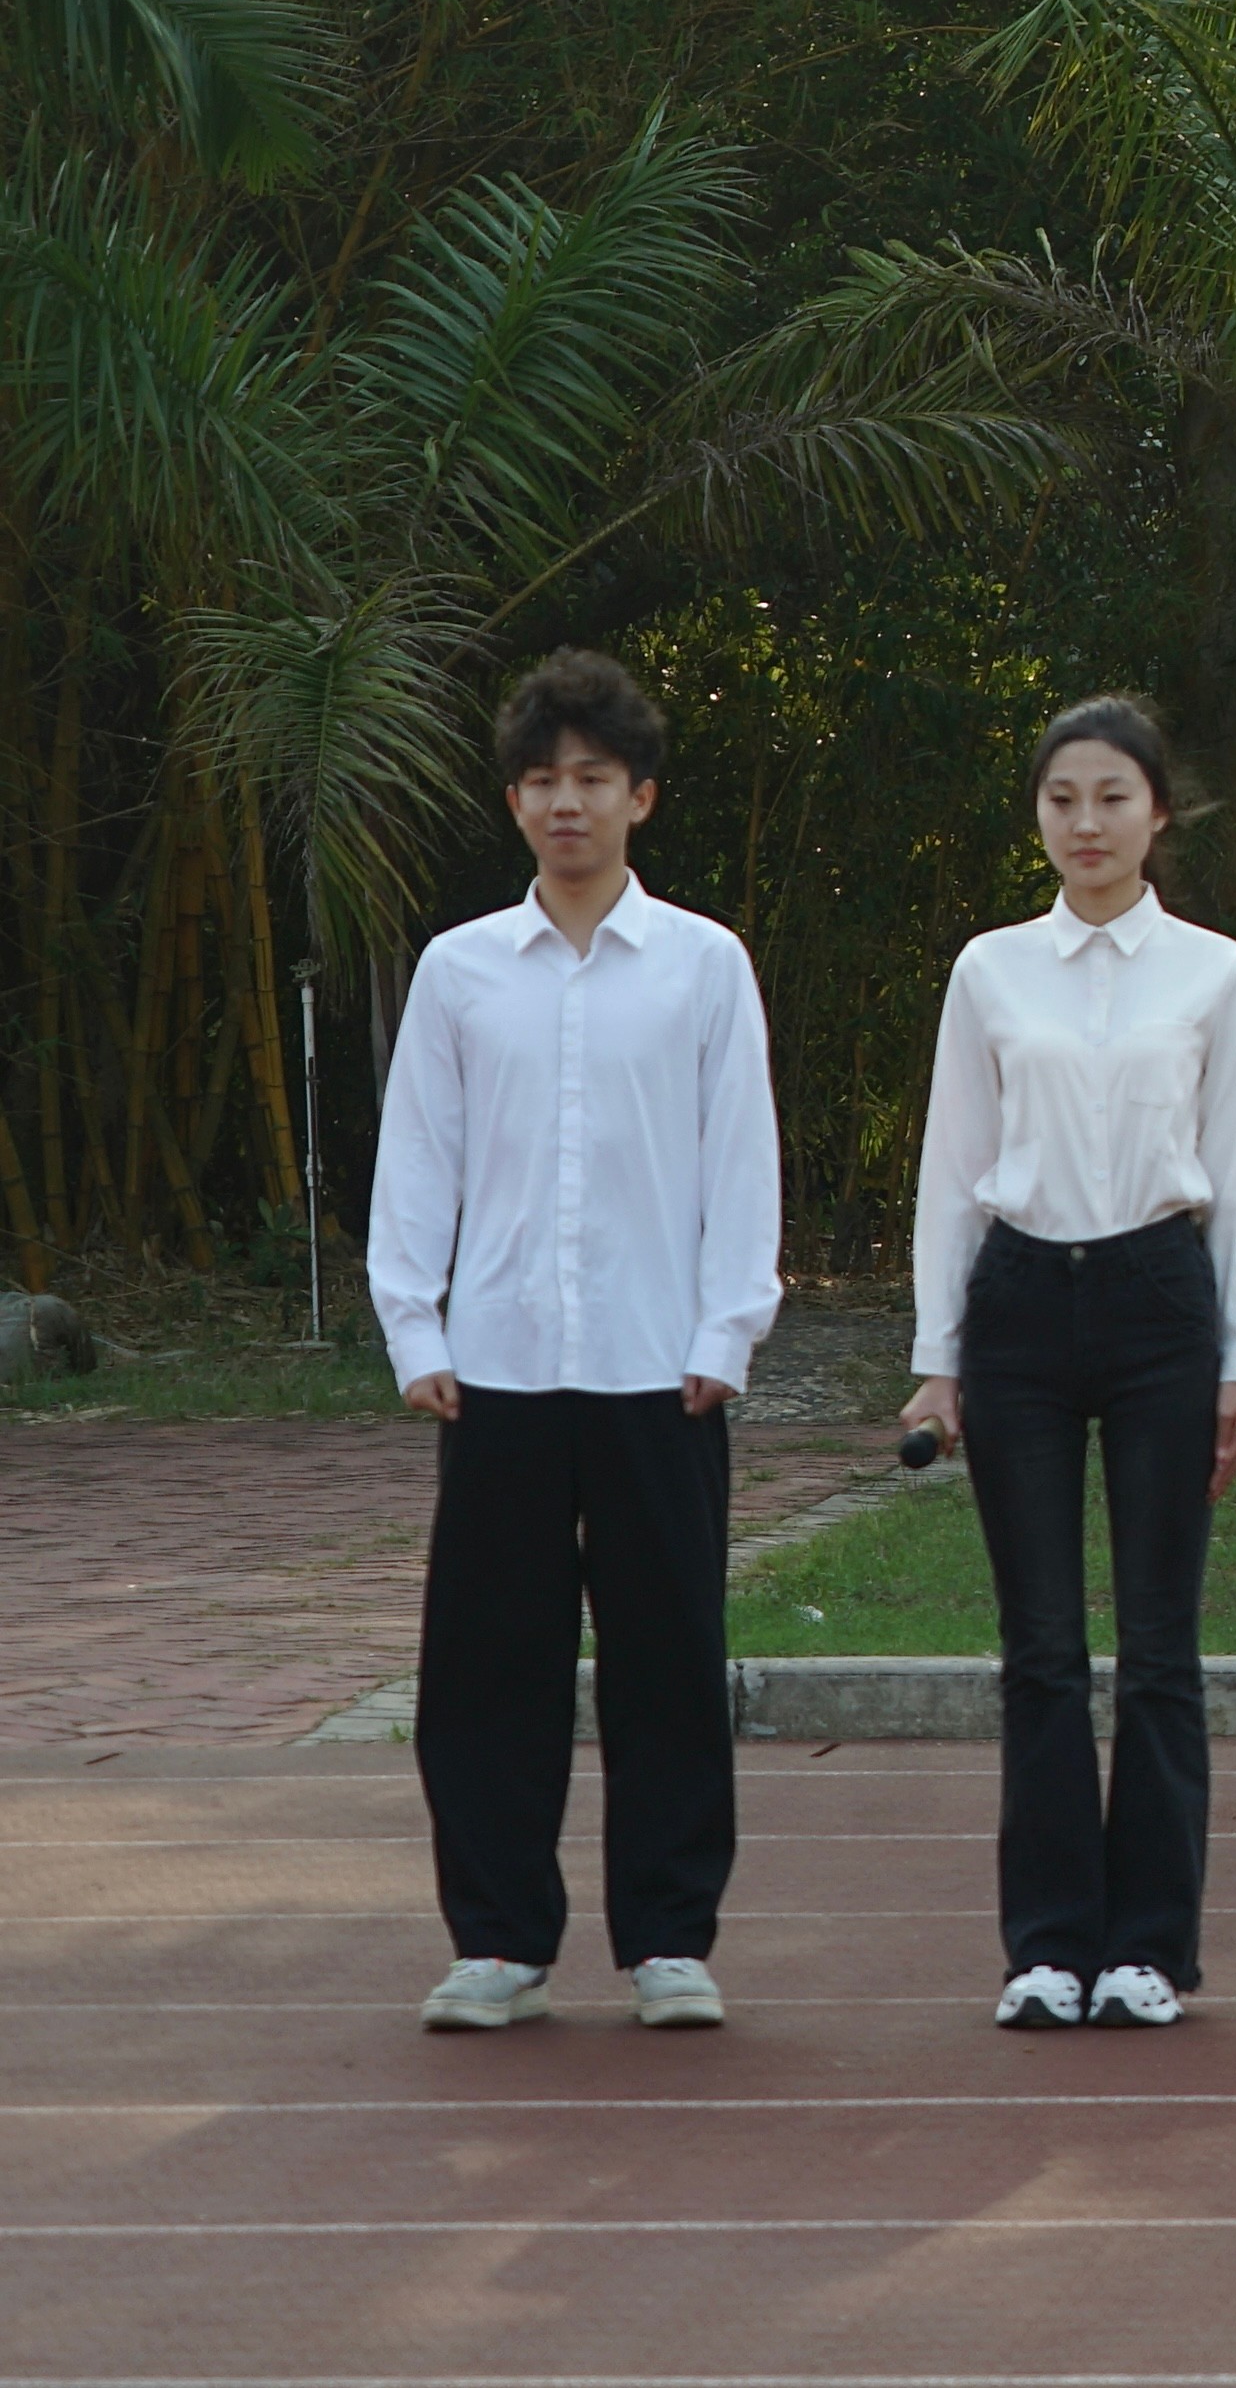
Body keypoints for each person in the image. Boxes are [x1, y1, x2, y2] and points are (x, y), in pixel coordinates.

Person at [368, 650, 779, 2036]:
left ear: (640, 795)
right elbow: (417, 1156)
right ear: (514, 799)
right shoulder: (461, 970)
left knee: (670, 1659)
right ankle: (497, 1940)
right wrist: (414, 1322)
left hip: (663, 1367)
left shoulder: (704, 964)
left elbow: (742, 1159)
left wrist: (728, 1325)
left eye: (592, 778)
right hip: (496, 1365)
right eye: (543, 779)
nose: (566, 802)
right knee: (489, 1664)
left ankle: (668, 1939)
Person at [902, 697, 1236, 2030]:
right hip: (1018, 1305)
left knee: (1160, 1645)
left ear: (1158, 810)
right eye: (1063, 797)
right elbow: (953, 1166)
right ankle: (1050, 1944)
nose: (1087, 822)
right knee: (1043, 1647)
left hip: (1161, 1299)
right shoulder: (991, 968)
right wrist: (938, 1355)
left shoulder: (1214, 971)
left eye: (1113, 795)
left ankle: (1150, 1947)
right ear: (1039, 815)